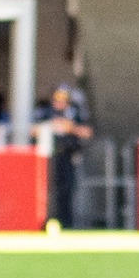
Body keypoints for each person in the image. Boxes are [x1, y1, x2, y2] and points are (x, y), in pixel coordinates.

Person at [34, 86, 92, 227]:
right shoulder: (46, 113)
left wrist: (70, 128)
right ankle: (43, 221)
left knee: (67, 189)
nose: (59, 103)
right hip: (47, 157)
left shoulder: (74, 114)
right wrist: (48, 126)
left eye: (62, 100)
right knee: (44, 190)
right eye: (56, 100)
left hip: (67, 155)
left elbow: (87, 132)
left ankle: (66, 222)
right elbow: (31, 130)